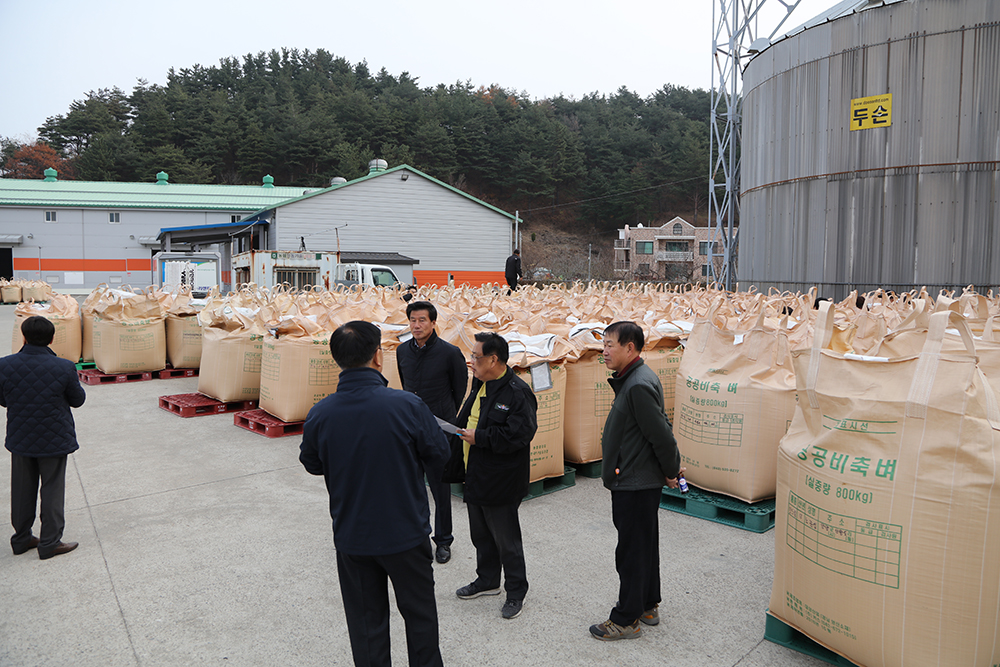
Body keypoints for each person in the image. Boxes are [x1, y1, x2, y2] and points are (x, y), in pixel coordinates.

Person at [300, 321, 450, 667]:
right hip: (406, 534)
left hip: (353, 538)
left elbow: (311, 462)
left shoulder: (321, 413)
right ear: (378, 357)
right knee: (421, 619)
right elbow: (439, 453)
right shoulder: (407, 405)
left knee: (367, 628)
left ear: (338, 360)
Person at [590, 321, 682, 641]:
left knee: (630, 551)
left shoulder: (638, 385)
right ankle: (646, 603)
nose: (604, 351)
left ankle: (626, 619)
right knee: (644, 545)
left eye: (610, 345)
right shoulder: (635, 379)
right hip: (635, 478)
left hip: (634, 481)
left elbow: (662, 435)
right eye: (603, 345)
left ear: (630, 348)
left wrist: (671, 470)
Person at [453, 332, 537, 620]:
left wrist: (482, 438)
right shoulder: (481, 384)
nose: (472, 361)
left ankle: (516, 592)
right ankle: (487, 580)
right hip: (475, 473)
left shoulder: (516, 392)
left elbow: (520, 435)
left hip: (501, 480)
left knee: (506, 540)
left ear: (494, 359)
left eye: (476, 357)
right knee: (481, 535)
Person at [2, 315, 86, 560]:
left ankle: (21, 539)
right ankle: (49, 542)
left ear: (24, 337)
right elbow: (78, 401)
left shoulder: (4, 364)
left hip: (20, 437)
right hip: (54, 437)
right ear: (51, 339)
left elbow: (3, 399)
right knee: (51, 489)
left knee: (21, 488)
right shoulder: (64, 366)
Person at [396, 300, 468, 564]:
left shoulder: (450, 353)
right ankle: (417, 537)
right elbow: (406, 386)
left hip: (440, 430)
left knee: (440, 488)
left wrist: (445, 418)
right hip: (410, 429)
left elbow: (459, 390)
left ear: (434, 322)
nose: (416, 325)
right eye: (413, 320)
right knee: (412, 486)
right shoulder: (402, 351)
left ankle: (444, 541)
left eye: (422, 320)